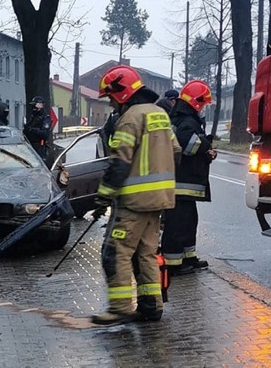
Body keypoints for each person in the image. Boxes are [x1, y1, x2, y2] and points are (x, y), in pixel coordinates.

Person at [91, 65, 181, 325]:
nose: (110, 102)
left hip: (133, 203)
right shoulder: (160, 115)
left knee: (114, 251)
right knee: (146, 254)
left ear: (121, 93)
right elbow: (176, 152)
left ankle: (119, 308)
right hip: (159, 201)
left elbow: (119, 162)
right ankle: (151, 306)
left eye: (110, 97)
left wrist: (103, 197)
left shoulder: (130, 118)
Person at [161, 80, 216, 276]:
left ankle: (188, 257)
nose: (203, 108)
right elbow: (188, 146)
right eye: (203, 104)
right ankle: (173, 264)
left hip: (185, 183)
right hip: (181, 183)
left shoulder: (184, 118)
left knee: (189, 221)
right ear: (196, 101)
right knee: (177, 224)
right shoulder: (186, 121)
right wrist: (206, 145)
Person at [23, 96, 52, 160]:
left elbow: (45, 133)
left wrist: (32, 130)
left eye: (35, 106)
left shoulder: (45, 118)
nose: (33, 108)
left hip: (39, 146)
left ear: (41, 105)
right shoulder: (33, 117)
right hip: (30, 144)